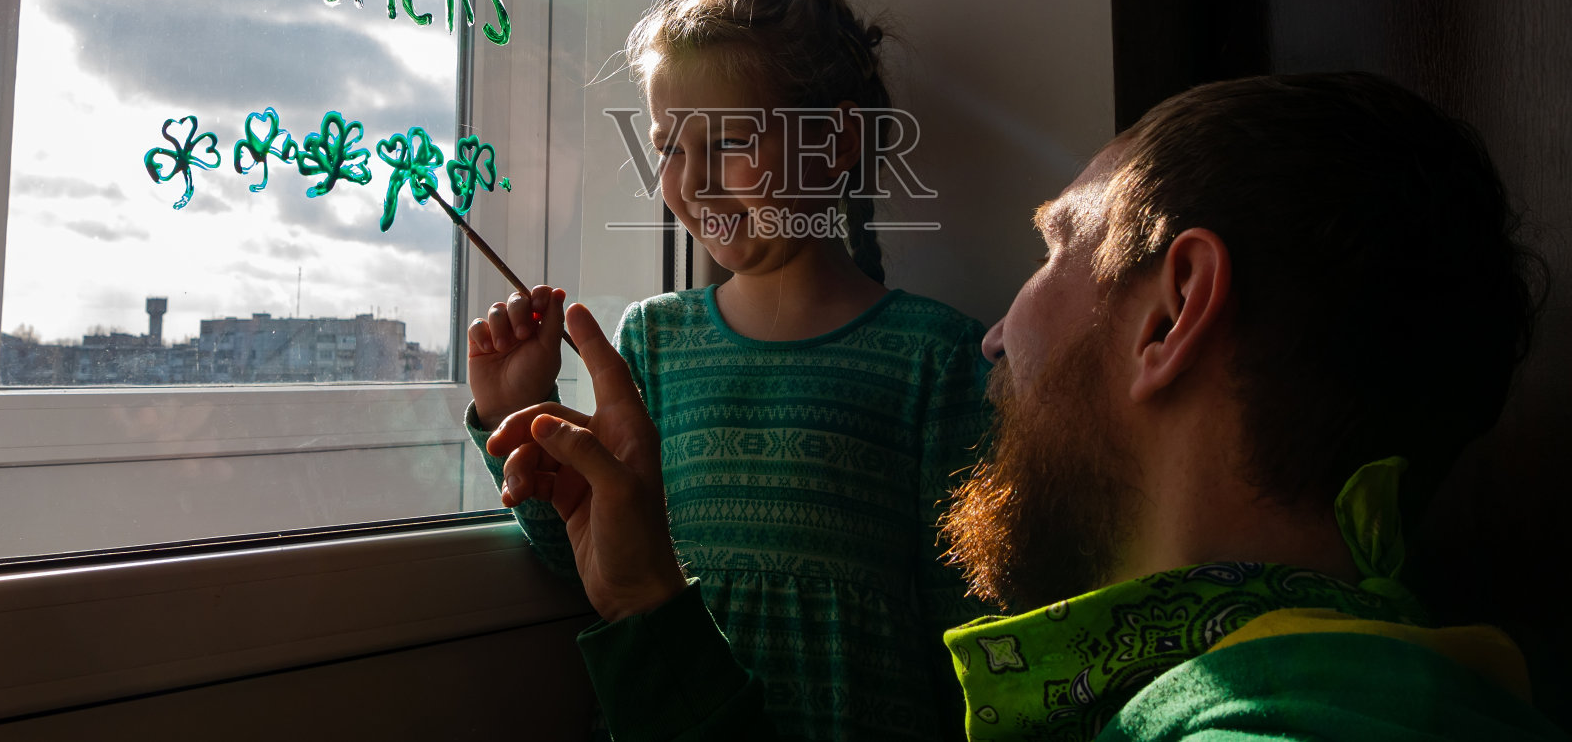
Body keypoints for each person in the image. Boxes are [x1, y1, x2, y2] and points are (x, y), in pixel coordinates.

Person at [491, 72, 1567, 741]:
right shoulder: (1377, 667)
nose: (996, 332)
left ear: (1170, 313)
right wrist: (639, 593)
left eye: (1057, 246)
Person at [465, 0, 992, 740]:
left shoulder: (935, 359)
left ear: (836, 143)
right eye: (669, 147)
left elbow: (975, 639)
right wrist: (518, 412)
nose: (693, 181)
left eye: (732, 141)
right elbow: (587, 558)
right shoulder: (653, 340)